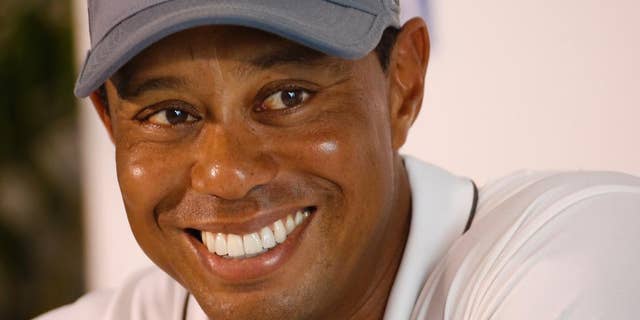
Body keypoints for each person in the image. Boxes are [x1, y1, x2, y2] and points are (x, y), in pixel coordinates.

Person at [38, 0, 640, 319]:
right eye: (172, 115)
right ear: (111, 124)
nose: (225, 175)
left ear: (401, 84)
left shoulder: (579, 254)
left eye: (288, 97)